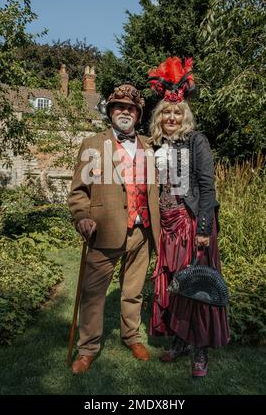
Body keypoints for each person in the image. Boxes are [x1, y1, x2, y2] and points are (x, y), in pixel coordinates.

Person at [68, 84, 160, 374]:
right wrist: (82, 215)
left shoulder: (149, 146)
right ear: (110, 112)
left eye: (131, 108)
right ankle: (88, 348)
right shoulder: (92, 144)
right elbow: (78, 191)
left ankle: (131, 336)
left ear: (138, 114)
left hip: (142, 231)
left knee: (132, 291)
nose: (125, 111)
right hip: (105, 230)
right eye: (119, 106)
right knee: (93, 292)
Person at [147, 57, 230, 377]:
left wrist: (204, 229)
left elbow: (208, 189)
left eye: (176, 112)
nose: (171, 116)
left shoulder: (197, 141)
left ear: (184, 114)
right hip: (166, 227)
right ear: (159, 116)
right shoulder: (156, 146)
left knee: (195, 288)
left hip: (191, 223)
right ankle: (180, 340)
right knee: (175, 287)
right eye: (166, 112)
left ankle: (200, 352)